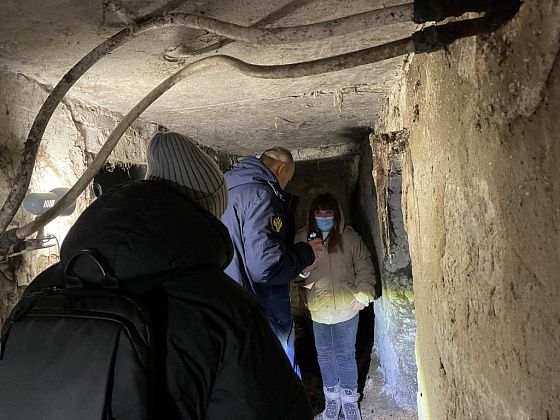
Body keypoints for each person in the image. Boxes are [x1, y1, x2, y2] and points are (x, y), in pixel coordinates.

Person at [21, 132, 313, 419]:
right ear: (206, 215)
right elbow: (276, 406)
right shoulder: (225, 308)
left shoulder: (43, 287)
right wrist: (303, 254)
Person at [221, 147, 321, 377]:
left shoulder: (226, 192)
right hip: (262, 304)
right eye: (288, 179)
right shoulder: (262, 195)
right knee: (281, 371)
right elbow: (266, 267)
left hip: (232, 300)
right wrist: (305, 253)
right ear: (281, 168)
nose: (285, 185)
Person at [295, 193, 377, 420]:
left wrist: (363, 294)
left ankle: (349, 401)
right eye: (318, 213)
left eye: (328, 212)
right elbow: (294, 272)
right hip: (318, 309)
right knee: (324, 356)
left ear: (337, 214)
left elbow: (364, 265)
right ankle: (332, 399)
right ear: (312, 215)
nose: (323, 217)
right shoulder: (302, 238)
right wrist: (306, 265)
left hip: (347, 307)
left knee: (345, 355)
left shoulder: (349, 237)